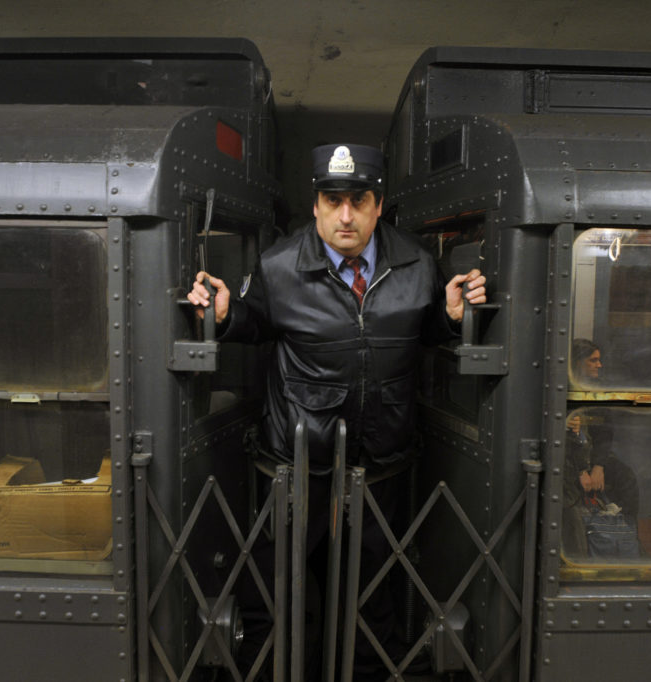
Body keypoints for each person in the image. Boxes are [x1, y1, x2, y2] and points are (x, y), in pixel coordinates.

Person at [188, 143, 486, 678]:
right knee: (279, 599)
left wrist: (450, 317)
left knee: (376, 600)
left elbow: (424, 333)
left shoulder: (417, 263)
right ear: (316, 204)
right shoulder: (280, 266)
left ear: (378, 204)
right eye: (332, 200)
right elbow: (255, 325)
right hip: (298, 473)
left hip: (381, 469)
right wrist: (229, 315)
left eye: (358, 199)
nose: (345, 215)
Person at [564, 339, 641, 559]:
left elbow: (605, 432)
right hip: (571, 456)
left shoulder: (598, 389)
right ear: (578, 364)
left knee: (626, 477)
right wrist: (581, 470)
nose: (599, 365)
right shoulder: (564, 386)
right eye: (593, 361)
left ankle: (628, 539)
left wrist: (598, 466)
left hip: (591, 453)